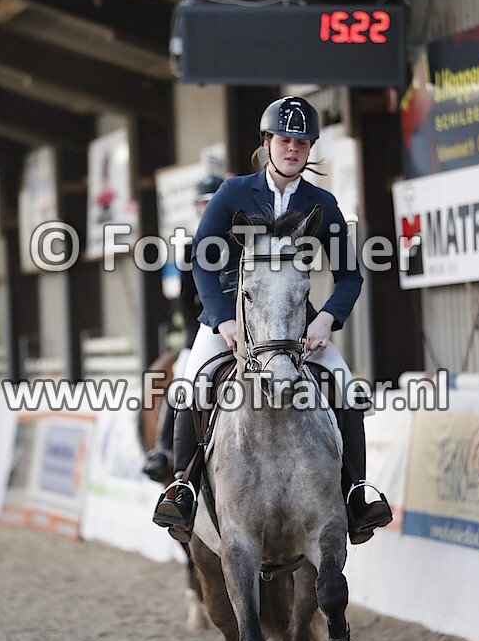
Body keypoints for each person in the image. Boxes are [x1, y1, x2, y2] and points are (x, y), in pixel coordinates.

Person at [153, 96, 392, 544]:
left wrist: (326, 319)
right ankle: (183, 488)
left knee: (344, 386)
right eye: (284, 140)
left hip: (294, 328)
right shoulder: (233, 194)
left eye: (302, 143)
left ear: (310, 148)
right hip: (229, 317)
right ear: (267, 143)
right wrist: (222, 321)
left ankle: (357, 492)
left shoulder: (322, 203)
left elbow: (349, 276)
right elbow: (202, 262)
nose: (293, 149)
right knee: (191, 383)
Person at [143, 175, 224, 482]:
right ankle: (163, 449)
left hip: (244, 330)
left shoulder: (240, 242)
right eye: (204, 203)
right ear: (197, 207)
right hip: (204, 329)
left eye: (213, 201)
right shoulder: (191, 248)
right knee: (182, 377)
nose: (209, 207)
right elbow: (184, 303)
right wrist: (192, 336)